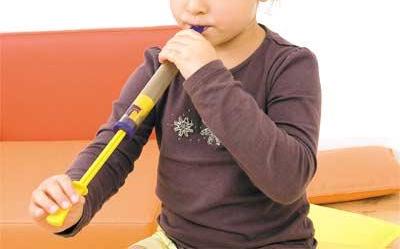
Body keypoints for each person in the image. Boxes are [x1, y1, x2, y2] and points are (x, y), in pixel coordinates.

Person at [28, 0, 321, 248]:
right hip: (177, 241)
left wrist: (207, 74)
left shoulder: (291, 66)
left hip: (272, 242)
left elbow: (288, 181)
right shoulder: (160, 66)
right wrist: (74, 199)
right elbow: (113, 148)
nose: (194, 7)